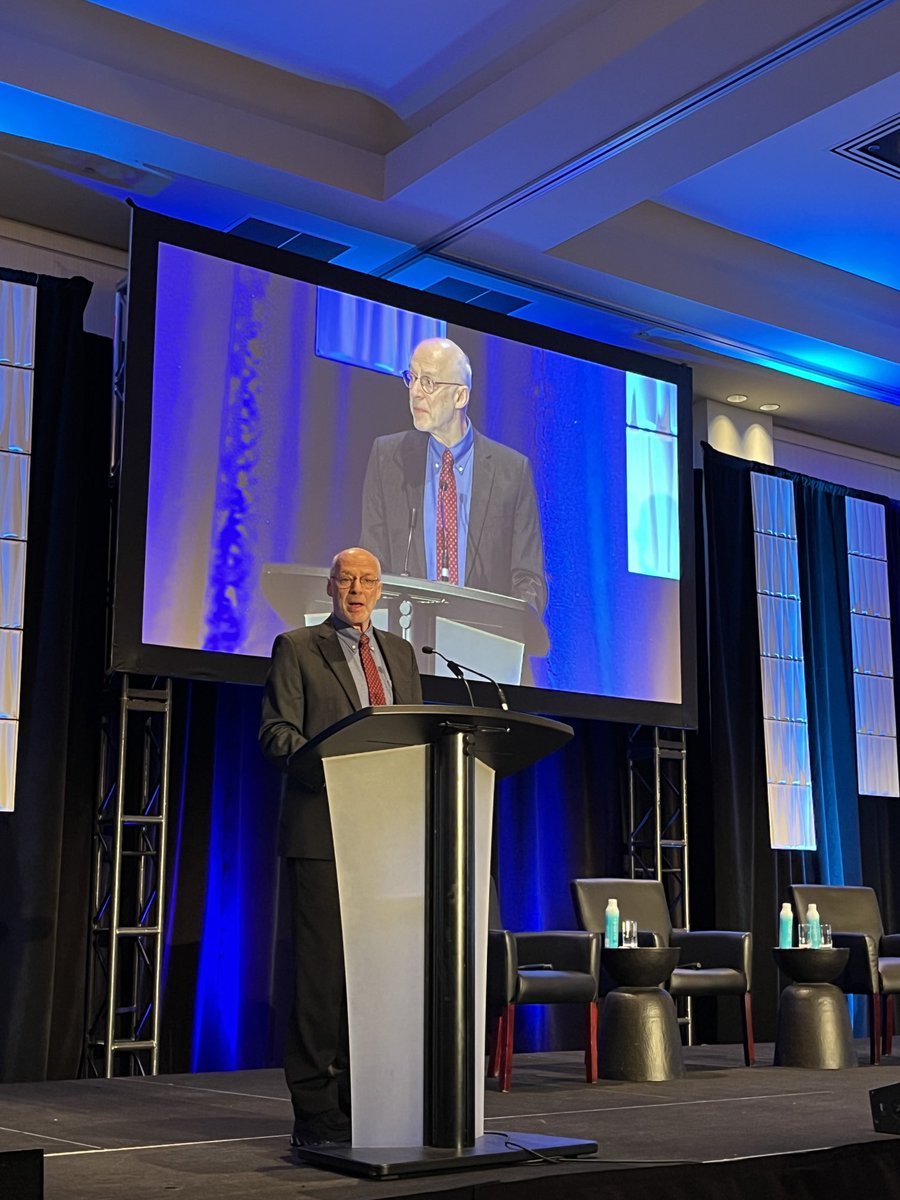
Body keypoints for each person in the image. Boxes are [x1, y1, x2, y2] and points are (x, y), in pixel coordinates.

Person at [259, 547, 422, 1149]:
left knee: (377, 980)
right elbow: (277, 734)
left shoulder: (401, 655)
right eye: (347, 579)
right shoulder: (298, 648)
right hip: (323, 834)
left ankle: (367, 1100)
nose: (358, 589)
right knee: (321, 980)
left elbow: (412, 731)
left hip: (389, 839)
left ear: (381, 591)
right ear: (331, 586)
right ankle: (316, 1111)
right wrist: (340, 770)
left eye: (368, 580)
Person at [360, 337, 547, 613]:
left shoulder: (511, 471)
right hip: (403, 642)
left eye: (429, 382)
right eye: (412, 378)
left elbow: (528, 580)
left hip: (481, 647)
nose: (415, 392)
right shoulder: (387, 457)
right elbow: (370, 566)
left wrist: (508, 632)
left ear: (460, 396)